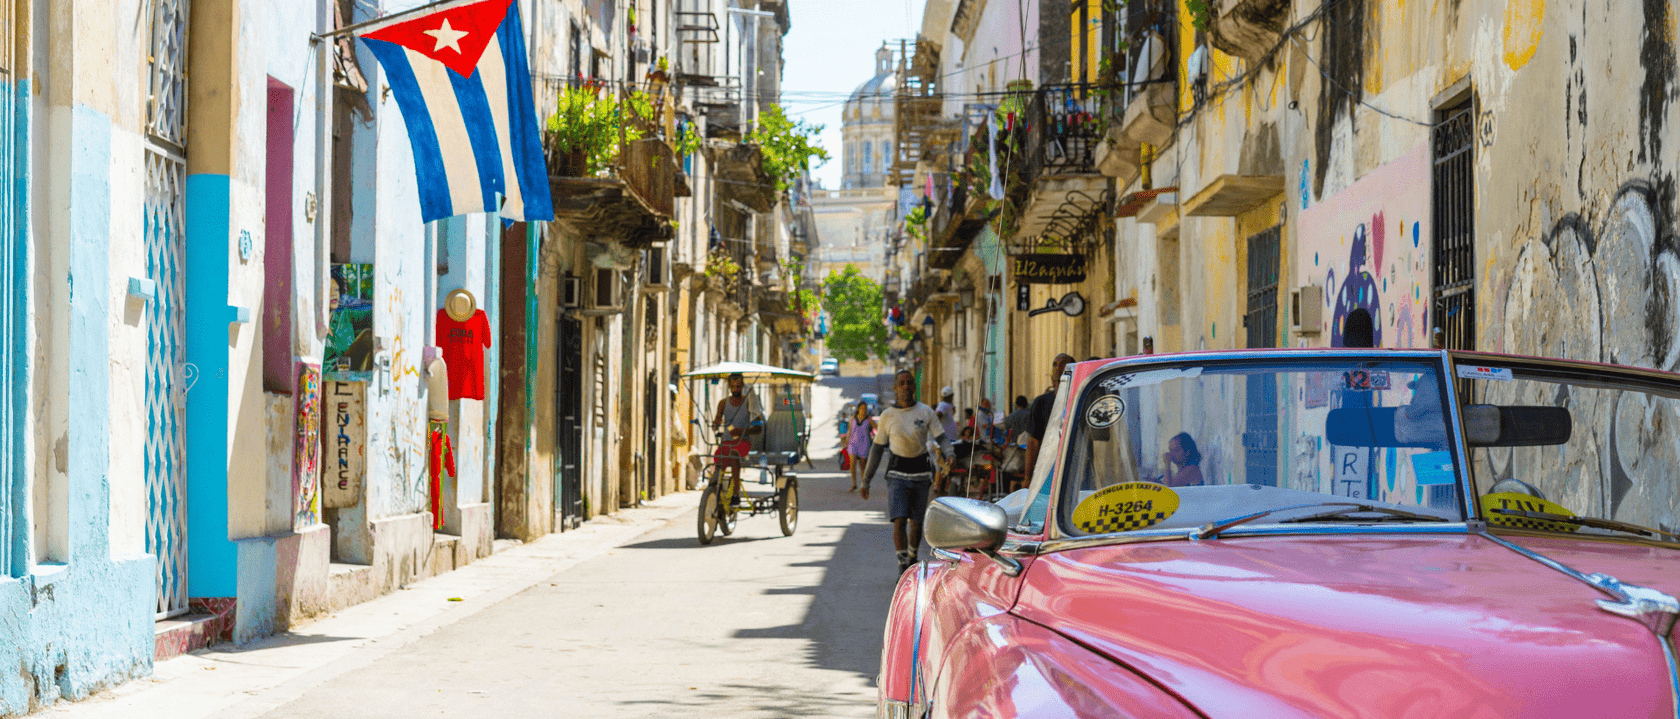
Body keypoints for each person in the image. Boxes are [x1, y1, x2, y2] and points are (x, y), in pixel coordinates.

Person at [862, 370, 953, 574]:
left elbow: (941, 437)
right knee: (899, 519)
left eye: (909, 383)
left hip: (921, 473)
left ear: (914, 386)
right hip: (897, 474)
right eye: (901, 383)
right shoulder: (887, 416)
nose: (905, 387)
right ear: (895, 388)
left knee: (917, 522)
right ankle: (902, 563)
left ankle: (912, 556)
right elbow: (877, 449)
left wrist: (949, 452)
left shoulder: (926, 412)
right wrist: (866, 480)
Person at [710, 372, 764, 506]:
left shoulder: (748, 402)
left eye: (738, 386)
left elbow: (758, 428)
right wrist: (715, 425)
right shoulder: (723, 403)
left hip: (743, 442)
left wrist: (743, 431)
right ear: (729, 387)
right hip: (727, 442)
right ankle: (715, 487)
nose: (736, 389)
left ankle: (735, 494)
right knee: (718, 458)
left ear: (742, 385)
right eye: (733, 387)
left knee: (734, 455)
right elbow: (716, 421)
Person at [1025, 354, 1075, 478]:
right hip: (1049, 469)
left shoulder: (1079, 399)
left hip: (1075, 467)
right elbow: (1033, 443)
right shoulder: (1041, 403)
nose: (1058, 367)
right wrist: (1027, 478)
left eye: (1062, 364)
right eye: (1055, 364)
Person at [845, 401, 876, 492]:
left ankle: (863, 484)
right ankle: (854, 484)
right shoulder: (853, 418)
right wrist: (846, 442)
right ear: (858, 409)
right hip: (853, 443)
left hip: (864, 444)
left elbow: (877, 428)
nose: (864, 410)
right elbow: (849, 431)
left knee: (863, 465)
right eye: (862, 408)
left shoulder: (869, 420)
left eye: (865, 409)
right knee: (852, 462)